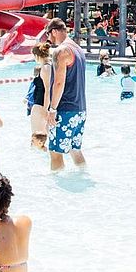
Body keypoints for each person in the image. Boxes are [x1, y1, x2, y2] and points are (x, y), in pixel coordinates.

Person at [44, 18, 88, 171]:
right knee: (75, 149)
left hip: (65, 109)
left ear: (54, 31)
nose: (49, 40)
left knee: (55, 151)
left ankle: (55, 186)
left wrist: (52, 109)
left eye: (48, 35)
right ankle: (83, 175)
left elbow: (59, 83)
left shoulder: (61, 51)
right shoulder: (78, 49)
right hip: (80, 108)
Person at [30, 42, 52, 138]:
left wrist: (45, 109)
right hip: (44, 104)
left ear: (37, 56)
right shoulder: (50, 66)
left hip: (41, 105)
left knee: (37, 138)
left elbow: (47, 90)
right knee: (44, 137)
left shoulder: (46, 68)